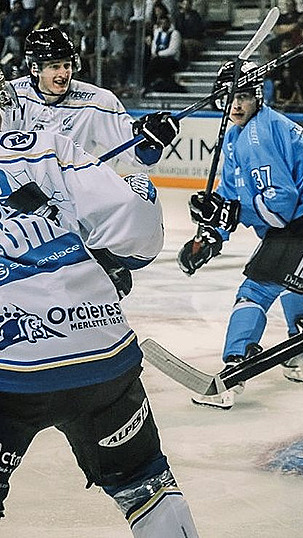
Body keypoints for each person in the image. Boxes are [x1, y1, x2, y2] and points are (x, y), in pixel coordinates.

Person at [0, 76, 199, 536]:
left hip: (12, 366)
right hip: (103, 351)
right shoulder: (45, 146)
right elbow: (139, 228)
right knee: (144, 485)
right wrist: (108, 258)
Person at [177, 60, 303, 408]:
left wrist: (231, 212)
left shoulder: (257, 133)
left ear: (257, 96)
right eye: (231, 99)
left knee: (256, 287)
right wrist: (209, 236)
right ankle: (301, 357)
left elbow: (280, 206)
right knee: (292, 278)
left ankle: (233, 369)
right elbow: (229, 198)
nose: (237, 105)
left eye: (244, 96)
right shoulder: (237, 137)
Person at [2, 27, 180, 168]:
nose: (64, 73)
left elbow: (140, 156)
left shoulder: (97, 102)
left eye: (67, 65)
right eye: (55, 67)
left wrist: (150, 141)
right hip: (19, 198)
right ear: (35, 69)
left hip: (71, 200)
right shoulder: (12, 95)